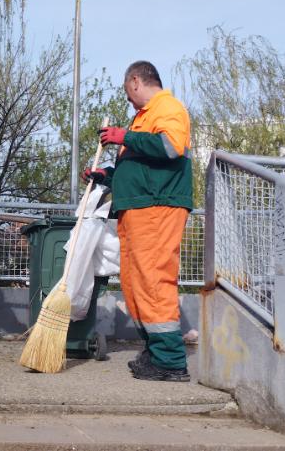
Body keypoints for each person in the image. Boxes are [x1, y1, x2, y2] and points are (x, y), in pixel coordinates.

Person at [83, 61, 193, 381]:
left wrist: (124, 137)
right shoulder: (142, 119)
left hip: (157, 207)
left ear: (135, 81)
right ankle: (154, 352)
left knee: (154, 279)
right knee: (135, 283)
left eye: (127, 91)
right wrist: (105, 176)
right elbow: (139, 169)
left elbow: (171, 147)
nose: (128, 99)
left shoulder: (168, 107)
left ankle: (171, 360)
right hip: (136, 209)